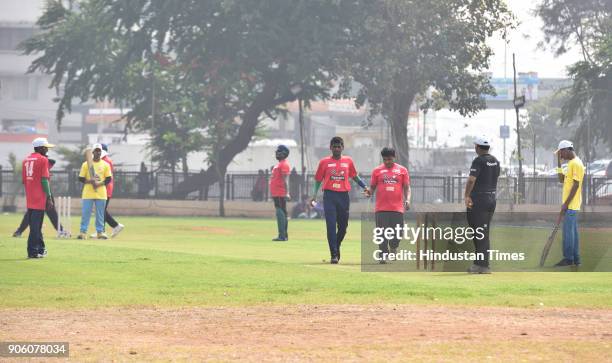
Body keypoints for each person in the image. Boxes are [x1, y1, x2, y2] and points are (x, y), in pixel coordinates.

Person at [311, 136, 370, 264]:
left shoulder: (348, 161)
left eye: (339, 146)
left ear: (342, 147)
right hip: (329, 196)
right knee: (331, 226)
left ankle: (336, 246)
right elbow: (318, 180)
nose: (337, 149)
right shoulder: (324, 162)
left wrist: (365, 186)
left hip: (343, 196)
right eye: (334, 146)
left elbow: (355, 176)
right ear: (330, 148)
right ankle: (334, 254)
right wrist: (314, 195)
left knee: (343, 227)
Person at [368, 147, 411, 263]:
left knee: (397, 234)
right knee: (381, 234)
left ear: (394, 157)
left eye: (390, 159)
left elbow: (407, 188)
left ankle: (393, 247)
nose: (387, 162)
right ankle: (383, 254)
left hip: (397, 209)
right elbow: (372, 187)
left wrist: (408, 200)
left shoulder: (402, 170)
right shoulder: (377, 171)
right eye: (385, 159)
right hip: (381, 208)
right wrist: (369, 192)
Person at [464, 135, 500, 274]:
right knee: (482, 231)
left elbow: (471, 180)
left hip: (479, 200)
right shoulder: (495, 161)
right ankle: (480, 264)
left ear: (478, 147)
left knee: (479, 232)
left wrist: (467, 195)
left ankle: (482, 265)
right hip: (491, 199)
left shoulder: (478, 161)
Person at [13, 158, 65, 237]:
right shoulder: (43, 163)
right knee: (50, 213)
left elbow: (52, 162)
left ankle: (19, 231)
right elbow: (44, 179)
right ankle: (60, 231)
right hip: (43, 192)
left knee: (31, 213)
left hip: (35, 192)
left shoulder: (36, 163)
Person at [22, 137, 55, 258]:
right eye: (46, 147)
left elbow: (25, 181)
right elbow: (44, 180)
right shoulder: (43, 160)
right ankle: (33, 252)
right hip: (39, 199)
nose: (47, 149)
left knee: (36, 226)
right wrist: (49, 197)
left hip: (30, 198)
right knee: (36, 228)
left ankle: (41, 249)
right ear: (40, 148)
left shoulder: (25, 160)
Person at [554, 140, 585, 267]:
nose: (560, 155)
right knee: (573, 233)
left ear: (566, 150)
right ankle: (576, 259)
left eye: (560, 153)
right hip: (571, 205)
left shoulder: (576, 163)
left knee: (568, 232)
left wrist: (565, 204)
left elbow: (576, 185)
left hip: (571, 205)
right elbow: (561, 180)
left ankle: (568, 258)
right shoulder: (571, 163)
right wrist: (558, 163)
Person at [78, 143, 112, 240]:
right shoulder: (85, 164)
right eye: (96, 150)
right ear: (92, 152)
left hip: (101, 193)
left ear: (101, 152)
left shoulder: (105, 165)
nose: (97, 152)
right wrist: (90, 181)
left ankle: (100, 232)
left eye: (99, 151)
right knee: (86, 213)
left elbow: (108, 179)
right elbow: (80, 178)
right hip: (88, 193)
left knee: (100, 214)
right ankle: (83, 232)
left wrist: (98, 184)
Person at [100, 144, 124, 237]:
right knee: (101, 210)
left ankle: (109, 228)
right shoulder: (105, 160)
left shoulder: (106, 161)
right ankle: (105, 229)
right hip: (105, 188)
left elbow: (106, 176)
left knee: (101, 210)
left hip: (105, 188)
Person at [270, 145, 291, 241]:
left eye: (279, 152)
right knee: (281, 212)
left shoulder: (284, 164)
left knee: (280, 212)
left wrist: (287, 193)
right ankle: (283, 235)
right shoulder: (279, 164)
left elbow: (285, 180)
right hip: (276, 193)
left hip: (280, 193)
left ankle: (282, 235)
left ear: (284, 154)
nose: (276, 153)